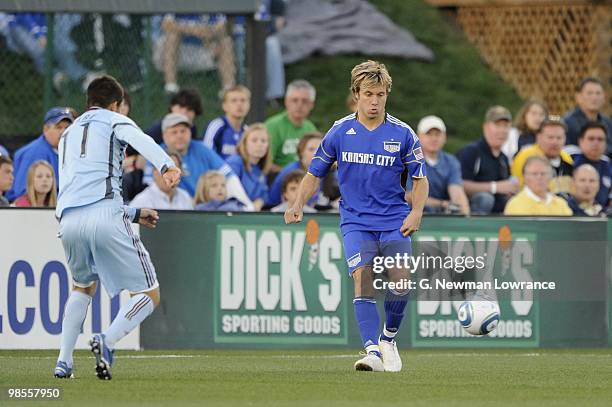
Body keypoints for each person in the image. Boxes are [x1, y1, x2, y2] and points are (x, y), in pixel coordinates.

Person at [285, 60, 428, 373]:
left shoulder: (403, 134)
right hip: (355, 221)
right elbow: (313, 174)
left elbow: (420, 179)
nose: (374, 101)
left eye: (380, 94)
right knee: (362, 280)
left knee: (401, 282)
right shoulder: (340, 131)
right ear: (356, 95)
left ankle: (389, 339)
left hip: (393, 219)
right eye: (368, 94)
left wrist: (416, 211)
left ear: (387, 95)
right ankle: (372, 351)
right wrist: (297, 203)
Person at [53, 75, 181, 380]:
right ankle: (107, 341)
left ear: (88, 102)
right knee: (149, 294)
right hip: (104, 215)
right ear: (116, 104)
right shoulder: (114, 120)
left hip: (68, 219)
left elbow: (77, 189)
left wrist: (134, 213)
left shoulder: (67, 135)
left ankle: (63, 362)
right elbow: (142, 140)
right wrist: (167, 165)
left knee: (82, 287)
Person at [148, 112, 253, 209]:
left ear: (190, 132)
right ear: (164, 136)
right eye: (174, 132)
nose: (179, 135)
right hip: (172, 208)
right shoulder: (156, 153)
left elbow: (229, 176)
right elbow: (152, 187)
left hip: (205, 206)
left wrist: (247, 207)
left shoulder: (201, 148)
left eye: (183, 131)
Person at [456, 106, 519, 214]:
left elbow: (504, 188)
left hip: (497, 213)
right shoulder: (471, 151)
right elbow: (458, 184)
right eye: (498, 125)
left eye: (506, 126)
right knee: (485, 198)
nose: (502, 130)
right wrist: (495, 187)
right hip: (469, 211)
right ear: (486, 127)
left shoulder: (503, 158)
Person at [7, 107, 74, 201]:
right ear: (46, 129)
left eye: (67, 127)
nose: (64, 132)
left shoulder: (60, 150)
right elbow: (23, 192)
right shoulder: (36, 152)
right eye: (58, 127)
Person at [406, 115, 469, 215]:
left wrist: (463, 211)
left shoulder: (451, 162)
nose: (434, 138)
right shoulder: (409, 160)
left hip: (442, 217)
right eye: (429, 134)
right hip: (413, 216)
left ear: (444, 137)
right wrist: (442, 204)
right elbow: (410, 196)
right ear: (418, 137)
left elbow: (456, 191)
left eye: (437, 134)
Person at [161, 14, 235, 94]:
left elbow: (222, 26)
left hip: (206, 49)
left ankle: (229, 90)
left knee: (225, 41)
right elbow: (166, 24)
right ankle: (171, 87)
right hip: (181, 50)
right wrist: (194, 30)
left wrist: (210, 34)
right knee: (172, 36)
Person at [512, 116, 573, 198]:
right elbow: (517, 188)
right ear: (539, 137)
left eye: (559, 138)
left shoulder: (567, 159)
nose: (555, 142)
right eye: (550, 137)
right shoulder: (526, 156)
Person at [266, 79, 318, 170]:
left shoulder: (310, 127)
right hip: (279, 178)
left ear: (311, 105)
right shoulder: (272, 126)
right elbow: (266, 164)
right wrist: (291, 173)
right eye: (294, 100)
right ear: (286, 102)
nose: (299, 105)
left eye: (304, 101)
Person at [504, 156, 572, 216]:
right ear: (525, 177)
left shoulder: (561, 204)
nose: (539, 177)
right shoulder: (515, 204)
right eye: (534, 174)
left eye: (543, 174)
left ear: (551, 176)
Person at [268, 132, 323, 207]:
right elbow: (274, 201)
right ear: (301, 152)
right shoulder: (290, 172)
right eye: (311, 149)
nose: (315, 153)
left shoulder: (328, 169)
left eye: (319, 149)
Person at [226, 123, 272, 211]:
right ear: (244, 143)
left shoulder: (260, 167)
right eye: (254, 140)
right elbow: (230, 193)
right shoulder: (235, 163)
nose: (259, 144)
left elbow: (264, 194)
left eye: (263, 141)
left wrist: (260, 201)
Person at [563, 77, 612, 157]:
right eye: (590, 93)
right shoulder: (568, 123)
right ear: (578, 97)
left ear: (604, 98)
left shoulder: (608, 123)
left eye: (598, 93)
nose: (594, 97)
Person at [570, 122, 611, 209]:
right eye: (591, 139)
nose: (596, 143)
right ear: (580, 141)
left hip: (600, 215)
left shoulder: (607, 164)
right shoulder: (569, 158)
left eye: (600, 139)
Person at [202, 85, 251, 159]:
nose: (239, 104)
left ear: (249, 105)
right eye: (234, 100)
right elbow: (206, 156)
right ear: (224, 106)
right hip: (217, 170)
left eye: (243, 100)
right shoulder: (216, 126)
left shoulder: (248, 131)